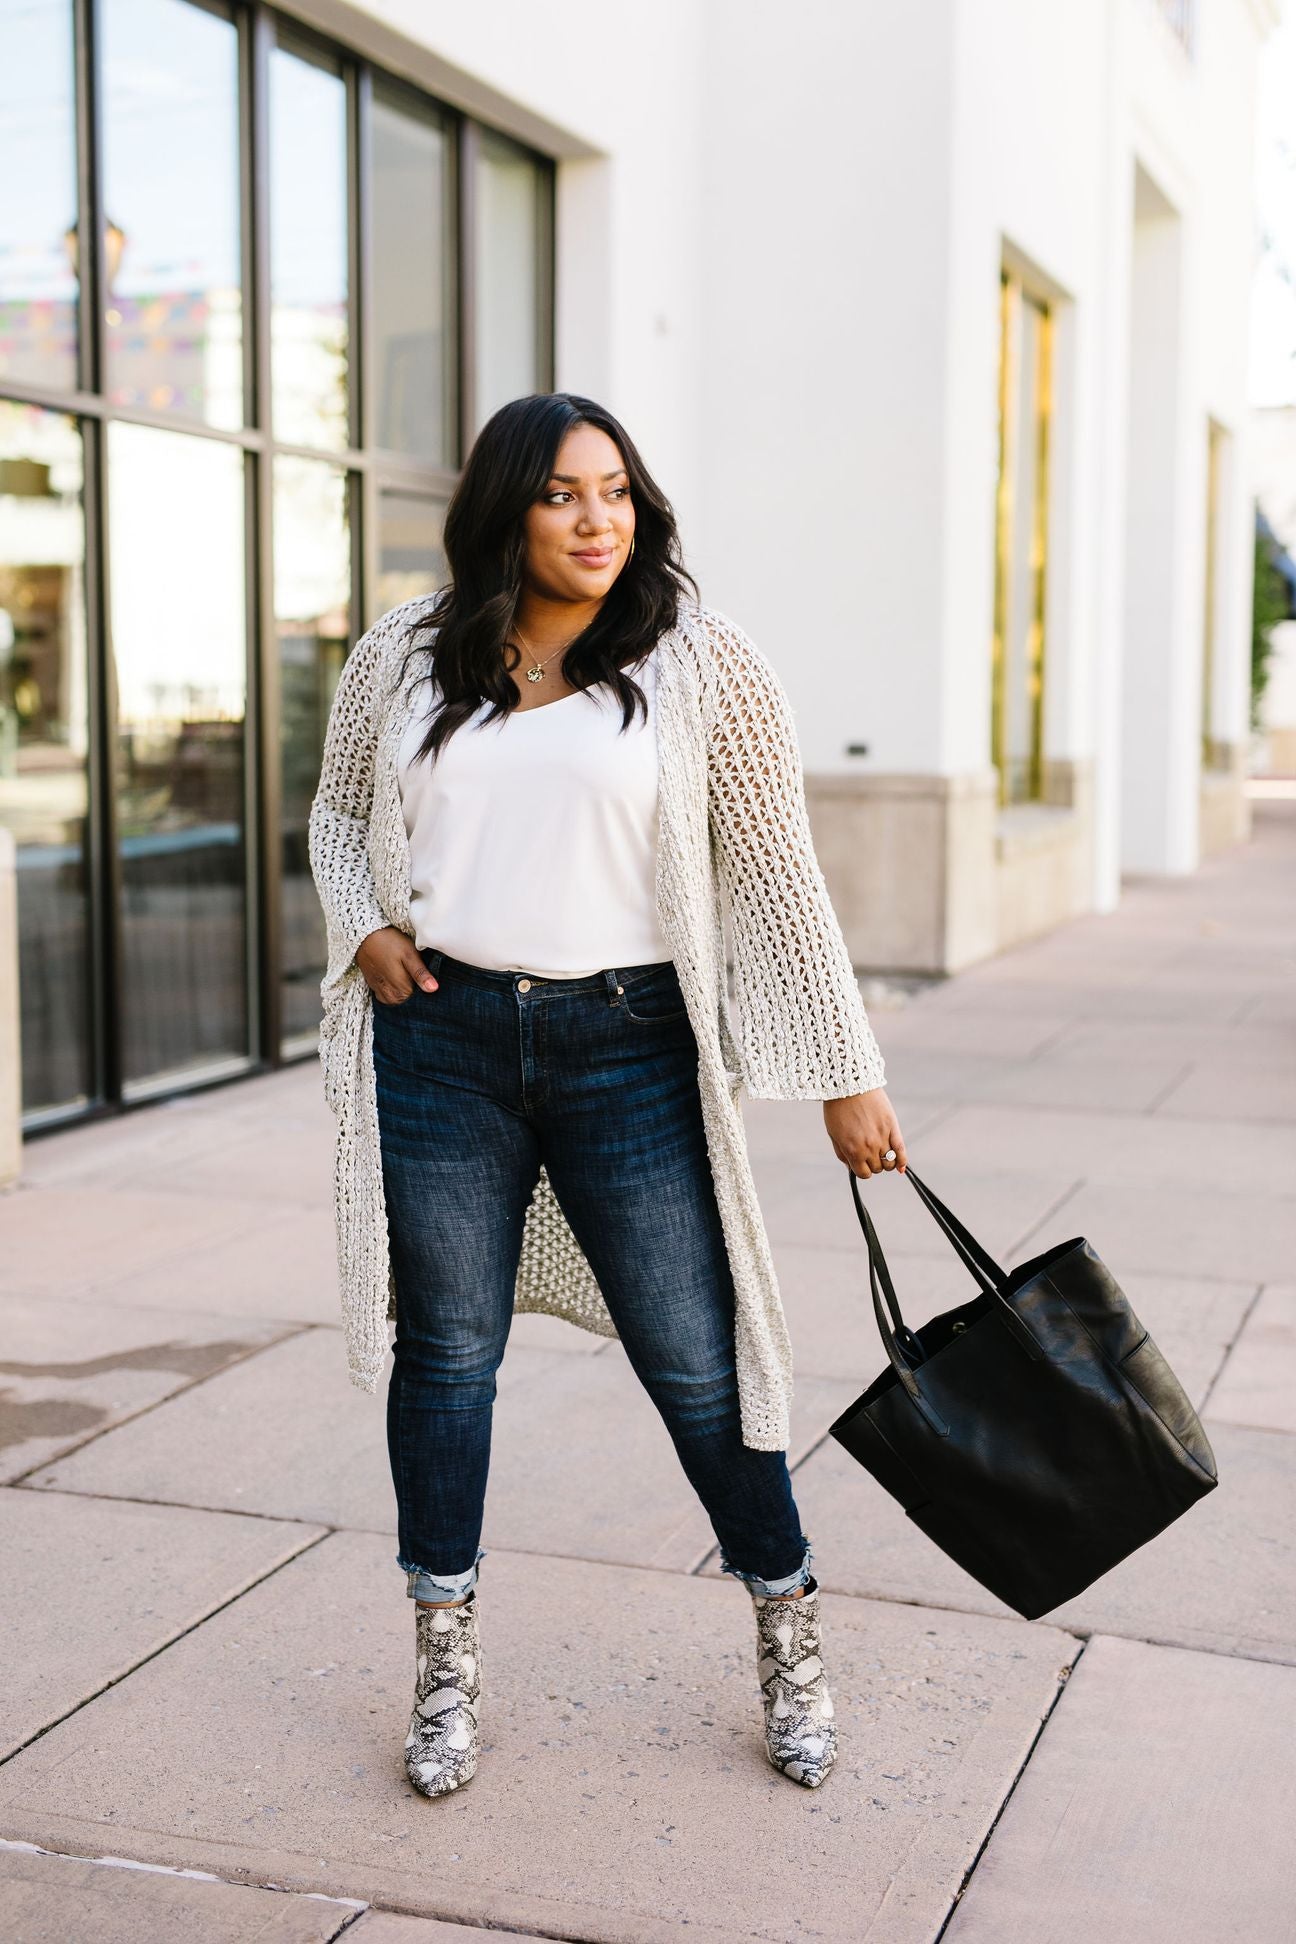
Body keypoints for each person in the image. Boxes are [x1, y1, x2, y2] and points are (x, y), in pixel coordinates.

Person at [308, 392, 907, 1801]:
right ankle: (445, 1662)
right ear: (507, 508)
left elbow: (774, 875)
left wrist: (845, 1073)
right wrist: (367, 929)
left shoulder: (700, 662)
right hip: (442, 1042)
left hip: (630, 1046)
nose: (598, 521)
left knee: (701, 1366)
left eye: (619, 494)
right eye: (566, 495)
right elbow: (341, 814)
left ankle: (787, 1625)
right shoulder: (402, 655)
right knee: (446, 1359)